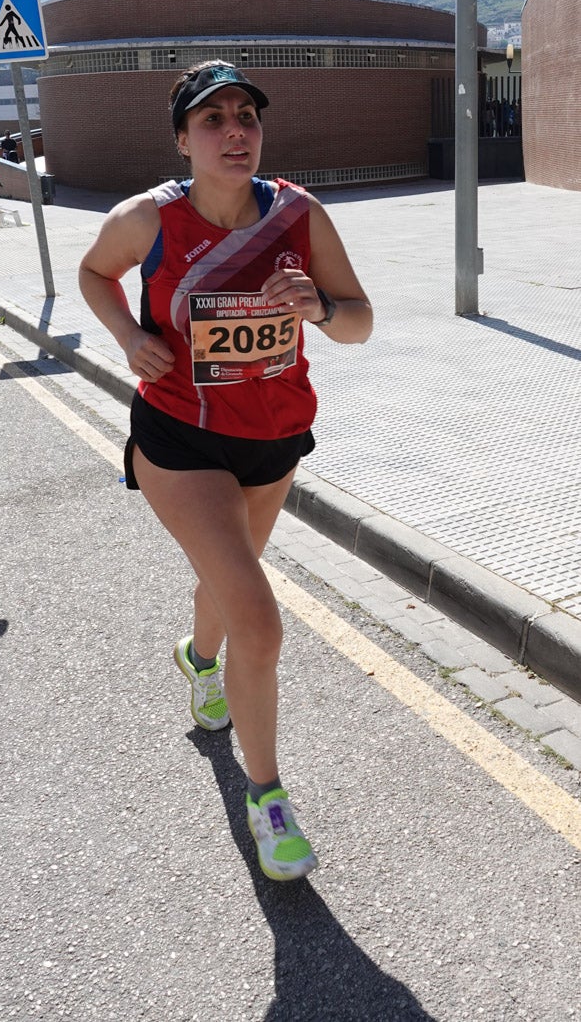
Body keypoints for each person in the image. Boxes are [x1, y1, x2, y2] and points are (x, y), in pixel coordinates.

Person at [78, 60, 372, 882]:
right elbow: (94, 274)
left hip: (274, 438)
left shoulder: (297, 215)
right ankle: (266, 796)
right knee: (261, 617)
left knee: (229, 576)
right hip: (180, 437)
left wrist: (316, 308)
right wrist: (126, 336)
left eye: (246, 115)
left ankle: (198, 663)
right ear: (182, 140)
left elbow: (359, 322)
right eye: (213, 120)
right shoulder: (149, 220)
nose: (234, 131)